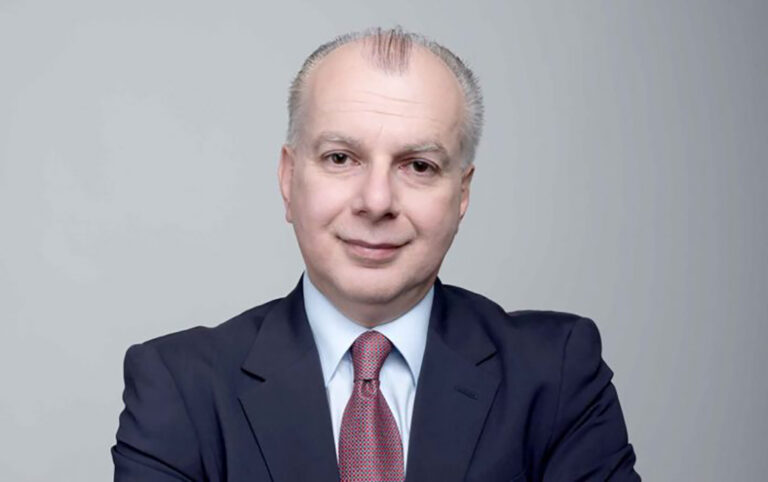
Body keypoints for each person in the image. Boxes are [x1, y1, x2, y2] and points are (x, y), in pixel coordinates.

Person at [112, 27, 640, 481]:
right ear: (289, 179)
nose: (377, 201)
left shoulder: (557, 374)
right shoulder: (179, 386)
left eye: (419, 166)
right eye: (341, 158)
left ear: (462, 194)